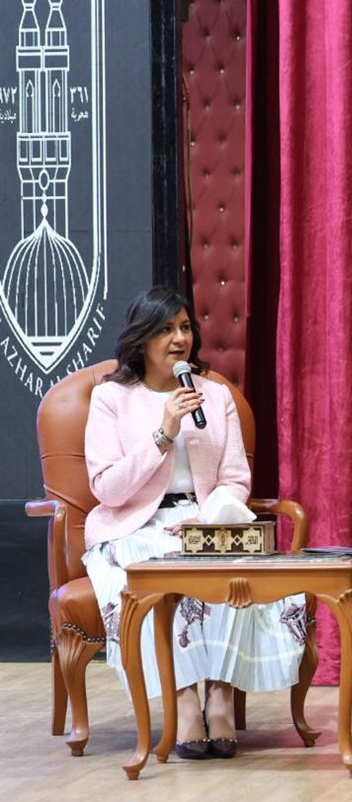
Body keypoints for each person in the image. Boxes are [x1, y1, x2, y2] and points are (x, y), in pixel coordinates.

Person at [82, 287, 308, 760]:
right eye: (166, 329)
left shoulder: (215, 395)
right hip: (133, 524)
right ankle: (184, 699)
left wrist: (207, 520)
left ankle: (220, 694)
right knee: (149, 564)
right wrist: (163, 433)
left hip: (203, 518)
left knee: (230, 564)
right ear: (142, 338)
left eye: (185, 327)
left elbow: (235, 479)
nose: (179, 339)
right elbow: (107, 489)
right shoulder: (111, 398)